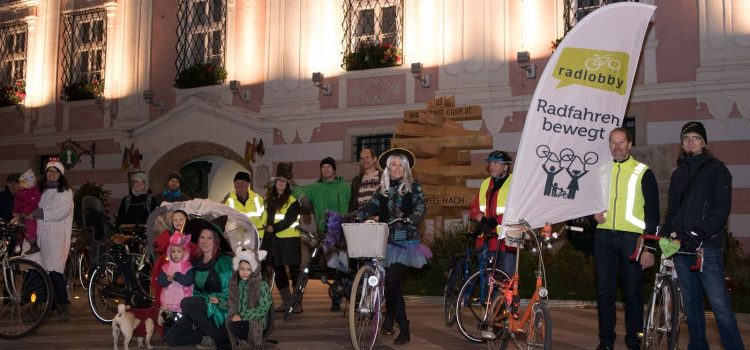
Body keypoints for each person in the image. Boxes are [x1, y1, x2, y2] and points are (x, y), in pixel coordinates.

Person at [661, 121, 744, 350]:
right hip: (682, 247)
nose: (690, 141)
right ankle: (698, 346)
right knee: (691, 303)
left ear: (704, 142)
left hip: (705, 247)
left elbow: (721, 209)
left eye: (696, 137)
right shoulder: (678, 174)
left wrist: (700, 232)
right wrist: (667, 232)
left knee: (719, 304)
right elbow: (673, 210)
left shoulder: (717, 170)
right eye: (686, 138)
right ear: (682, 143)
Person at [350, 147, 431, 345]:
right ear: (387, 167)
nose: (396, 168)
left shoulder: (414, 187)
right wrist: (353, 216)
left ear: (406, 167)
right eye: (393, 164)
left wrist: (415, 216)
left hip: (406, 244)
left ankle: (404, 326)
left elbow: (421, 205)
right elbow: (370, 207)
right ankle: (390, 315)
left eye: (400, 164)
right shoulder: (383, 190)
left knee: (393, 278)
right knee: (389, 283)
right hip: (385, 241)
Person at [593, 127, 659, 350]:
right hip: (603, 237)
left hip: (633, 240)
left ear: (630, 145)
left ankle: (634, 340)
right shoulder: (600, 171)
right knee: (604, 292)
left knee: (633, 292)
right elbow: (590, 201)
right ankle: (606, 341)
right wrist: (593, 213)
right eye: (613, 142)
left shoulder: (643, 172)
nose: (617, 146)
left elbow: (654, 212)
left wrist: (650, 245)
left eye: (621, 142)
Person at [292, 156, 350, 312]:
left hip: (343, 232)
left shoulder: (345, 187)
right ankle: (335, 298)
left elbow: (352, 205)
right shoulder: (315, 188)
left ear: (334, 169)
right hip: (326, 233)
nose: (326, 170)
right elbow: (294, 187)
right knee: (333, 266)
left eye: (328, 167)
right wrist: (302, 197)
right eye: (323, 167)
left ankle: (343, 298)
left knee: (343, 268)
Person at [166, 218, 234, 350]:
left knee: (187, 303)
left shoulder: (224, 261)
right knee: (172, 338)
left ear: (216, 241)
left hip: (220, 309)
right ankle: (208, 333)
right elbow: (195, 291)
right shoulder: (196, 262)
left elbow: (229, 292)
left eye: (209, 238)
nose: (204, 241)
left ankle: (222, 337)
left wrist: (210, 302)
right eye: (202, 237)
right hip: (202, 310)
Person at [33, 159, 74, 321]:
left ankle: (63, 306)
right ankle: (50, 305)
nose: (52, 174)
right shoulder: (41, 191)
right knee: (45, 271)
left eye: (55, 171)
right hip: (43, 237)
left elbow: (62, 211)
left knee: (56, 272)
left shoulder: (65, 192)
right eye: (49, 171)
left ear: (60, 175)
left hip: (57, 237)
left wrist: (41, 213)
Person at [258, 163, 301, 313]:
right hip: (273, 240)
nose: (281, 183)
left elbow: (289, 219)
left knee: (295, 272)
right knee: (279, 270)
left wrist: (274, 228)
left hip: (290, 240)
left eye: (284, 181)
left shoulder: (293, 200)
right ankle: (286, 301)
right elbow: (264, 218)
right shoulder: (268, 199)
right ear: (275, 183)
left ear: (288, 184)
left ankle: (296, 303)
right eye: (278, 180)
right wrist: (260, 234)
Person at [468, 150, 516, 275]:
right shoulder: (486, 183)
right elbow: (474, 207)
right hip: (486, 241)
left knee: (506, 281)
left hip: (506, 242)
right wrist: (482, 219)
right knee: (486, 281)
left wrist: (496, 220)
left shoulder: (514, 183)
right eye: (490, 163)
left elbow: (516, 210)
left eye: (495, 163)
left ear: (505, 166)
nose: (491, 166)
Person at [226, 247, 272, 350]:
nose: (245, 272)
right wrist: (219, 302)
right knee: (229, 326)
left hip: (256, 321)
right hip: (240, 319)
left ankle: (248, 343)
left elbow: (263, 308)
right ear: (238, 268)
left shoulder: (261, 285)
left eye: (248, 269)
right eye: (242, 269)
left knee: (235, 327)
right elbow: (232, 302)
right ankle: (243, 342)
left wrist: (242, 316)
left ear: (254, 269)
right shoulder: (237, 284)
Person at [151, 209, 193, 308]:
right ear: (172, 222)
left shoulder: (190, 236)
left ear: (186, 220)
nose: (178, 222)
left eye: (181, 219)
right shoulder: (167, 235)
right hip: (167, 265)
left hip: (184, 269)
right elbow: (159, 248)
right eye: (175, 220)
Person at [157, 231, 194, 313]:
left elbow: (189, 280)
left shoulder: (187, 266)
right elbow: (160, 280)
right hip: (167, 299)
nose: (175, 254)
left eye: (179, 251)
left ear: (185, 252)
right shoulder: (166, 266)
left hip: (182, 300)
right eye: (173, 252)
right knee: (166, 320)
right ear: (169, 252)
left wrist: (177, 276)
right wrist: (167, 279)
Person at [12, 169, 41, 255]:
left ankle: (33, 245)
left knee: (30, 228)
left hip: (29, 216)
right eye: (21, 182)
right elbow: (17, 203)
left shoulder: (34, 192)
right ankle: (18, 245)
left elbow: (32, 204)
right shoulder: (22, 192)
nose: (21, 184)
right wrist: (15, 211)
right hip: (20, 215)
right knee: (18, 230)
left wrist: (24, 213)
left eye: (23, 182)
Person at [348, 148, 381, 212]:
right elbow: (352, 205)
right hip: (360, 220)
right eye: (362, 158)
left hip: (378, 220)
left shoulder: (383, 177)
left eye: (367, 157)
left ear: (374, 159)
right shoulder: (356, 181)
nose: (364, 160)